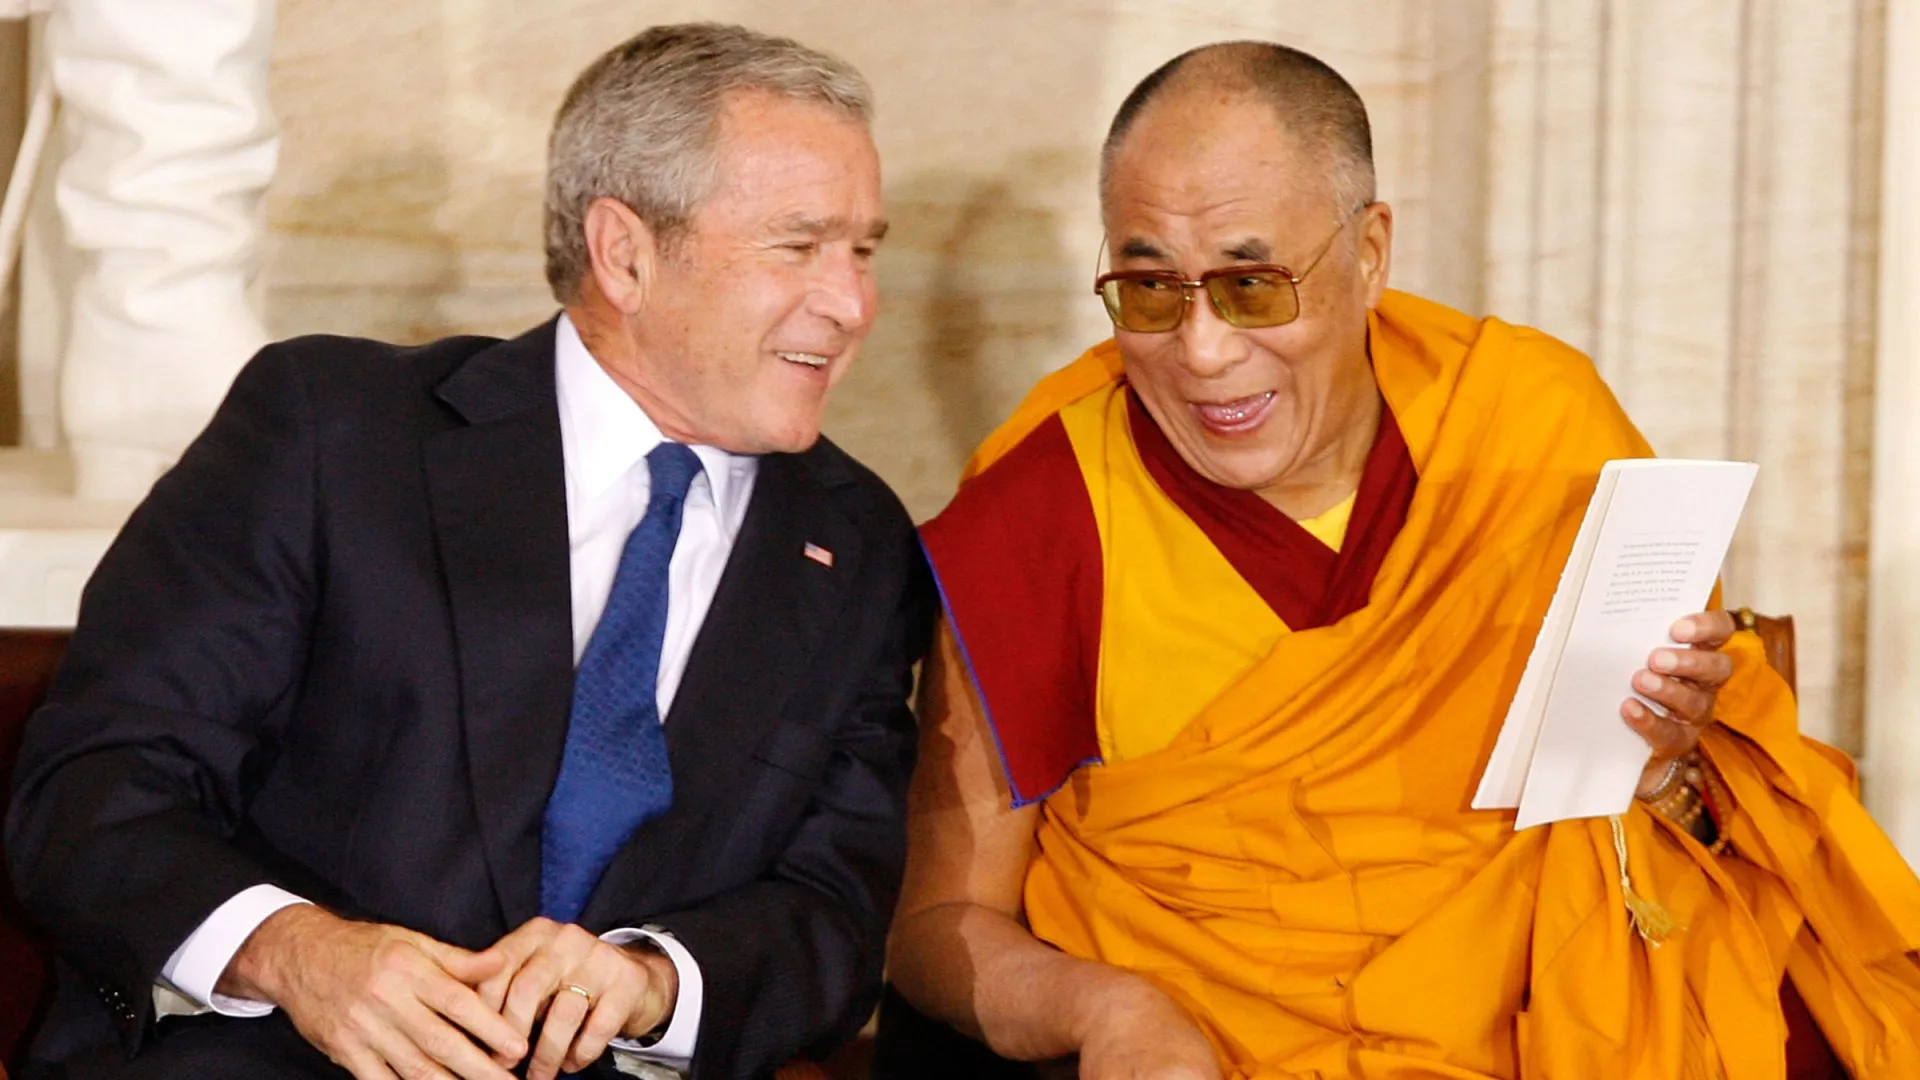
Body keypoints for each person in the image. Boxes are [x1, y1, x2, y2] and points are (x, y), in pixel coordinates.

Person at [886, 40, 1920, 1080]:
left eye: (1252, 285)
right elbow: (937, 925)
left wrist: (1665, 770)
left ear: (1371, 253)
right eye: (1150, 289)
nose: (1202, 350)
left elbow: (1686, 843)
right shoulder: (1047, 509)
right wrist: (1109, 1011)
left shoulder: (1531, 436)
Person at [6, 22, 932, 1080]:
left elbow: (833, 912)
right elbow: (94, 791)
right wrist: (298, 953)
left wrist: (654, 982)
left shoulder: (855, 540)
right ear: (624, 253)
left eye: (864, 251)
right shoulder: (333, 432)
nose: (852, 304)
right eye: (799, 247)